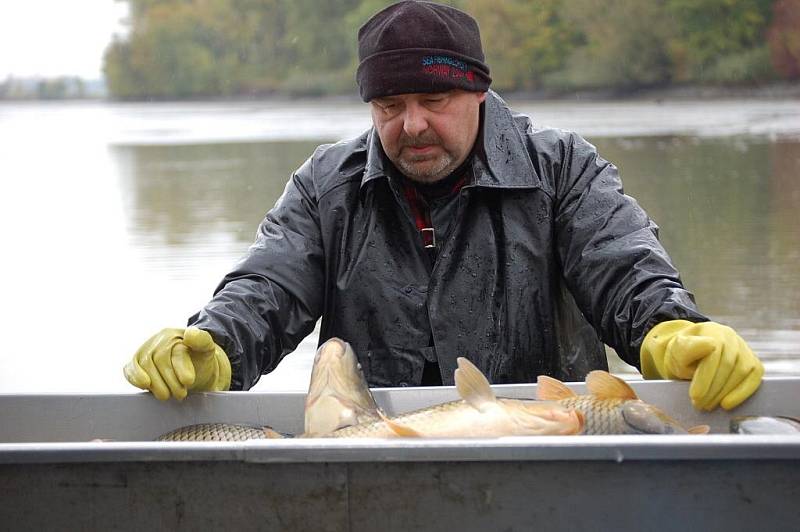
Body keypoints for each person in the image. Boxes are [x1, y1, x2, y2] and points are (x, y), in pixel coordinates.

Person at [124, 0, 763, 411]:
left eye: (434, 100)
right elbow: (268, 285)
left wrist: (669, 329)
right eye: (389, 106)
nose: (411, 126)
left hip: (544, 449)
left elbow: (623, 270)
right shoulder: (328, 185)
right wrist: (215, 341)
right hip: (375, 460)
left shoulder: (562, 169)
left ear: (478, 91)